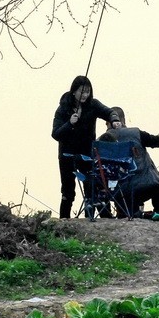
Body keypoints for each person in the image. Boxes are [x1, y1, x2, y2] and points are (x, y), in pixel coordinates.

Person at [52, 75, 121, 219]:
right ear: (74, 91)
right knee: (67, 190)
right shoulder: (63, 108)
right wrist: (69, 123)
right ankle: (64, 219)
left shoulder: (93, 105)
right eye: (82, 92)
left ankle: (91, 218)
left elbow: (109, 111)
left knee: (91, 184)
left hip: (87, 153)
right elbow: (56, 134)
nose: (85, 95)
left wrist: (114, 120)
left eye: (87, 92)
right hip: (67, 155)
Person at [98, 107, 159, 219]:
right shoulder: (136, 133)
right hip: (146, 186)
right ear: (123, 120)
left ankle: (112, 215)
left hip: (119, 193)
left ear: (107, 122)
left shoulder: (101, 141)